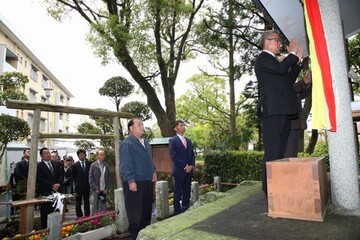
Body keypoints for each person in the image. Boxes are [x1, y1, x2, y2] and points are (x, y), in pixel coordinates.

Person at [255, 30, 303, 194]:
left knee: (280, 151)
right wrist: (292, 55)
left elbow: (287, 79)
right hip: (273, 111)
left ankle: (275, 185)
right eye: (278, 40)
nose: (280, 44)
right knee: (273, 150)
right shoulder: (263, 58)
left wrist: (299, 64)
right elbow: (282, 68)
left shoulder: (275, 62)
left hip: (282, 110)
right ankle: (270, 188)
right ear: (268, 41)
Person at [120, 117, 157, 239]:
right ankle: (134, 237)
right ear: (131, 128)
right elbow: (126, 164)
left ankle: (144, 236)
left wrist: (153, 171)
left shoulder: (145, 142)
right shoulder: (127, 144)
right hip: (135, 183)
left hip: (146, 181)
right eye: (139, 125)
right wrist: (130, 180)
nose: (142, 127)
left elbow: (149, 159)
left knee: (146, 211)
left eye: (143, 125)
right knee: (135, 214)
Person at [169, 120, 196, 215]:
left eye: (183, 125)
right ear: (175, 128)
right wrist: (185, 166)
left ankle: (185, 209)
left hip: (189, 171)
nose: (183, 127)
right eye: (181, 125)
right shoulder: (173, 140)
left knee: (187, 191)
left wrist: (192, 165)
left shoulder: (188, 140)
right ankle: (177, 211)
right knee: (178, 191)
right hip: (179, 170)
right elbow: (174, 156)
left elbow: (192, 154)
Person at [284, 71, 312, 157]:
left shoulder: (289, 85)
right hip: (287, 125)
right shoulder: (278, 82)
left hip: (294, 124)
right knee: (288, 156)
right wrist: (304, 82)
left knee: (292, 155)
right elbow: (287, 92)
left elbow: (303, 94)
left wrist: (311, 83)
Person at [36, 147, 64, 229]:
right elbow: (40, 179)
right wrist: (53, 185)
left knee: (56, 212)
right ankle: (44, 231)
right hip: (46, 193)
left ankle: (56, 229)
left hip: (57, 193)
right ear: (41, 156)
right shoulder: (39, 166)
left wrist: (58, 184)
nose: (48, 155)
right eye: (46, 153)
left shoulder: (56, 164)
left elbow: (61, 175)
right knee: (45, 213)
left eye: (49, 153)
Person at [89, 150, 112, 215]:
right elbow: (90, 178)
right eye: (101, 154)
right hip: (96, 189)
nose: (102, 156)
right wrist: (95, 188)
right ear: (97, 156)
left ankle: (104, 220)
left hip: (103, 189)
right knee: (94, 205)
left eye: (103, 154)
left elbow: (109, 178)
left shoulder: (106, 165)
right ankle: (93, 220)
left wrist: (107, 188)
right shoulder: (93, 165)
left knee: (103, 205)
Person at [72, 149, 92, 218]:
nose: (82, 156)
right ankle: (79, 216)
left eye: (83, 155)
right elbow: (73, 176)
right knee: (78, 202)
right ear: (78, 156)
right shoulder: (75, 165)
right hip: (78, 187)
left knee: (87, 202)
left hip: (87, 186)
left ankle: (87, 216)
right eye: (81, 155)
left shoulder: (89, 163)